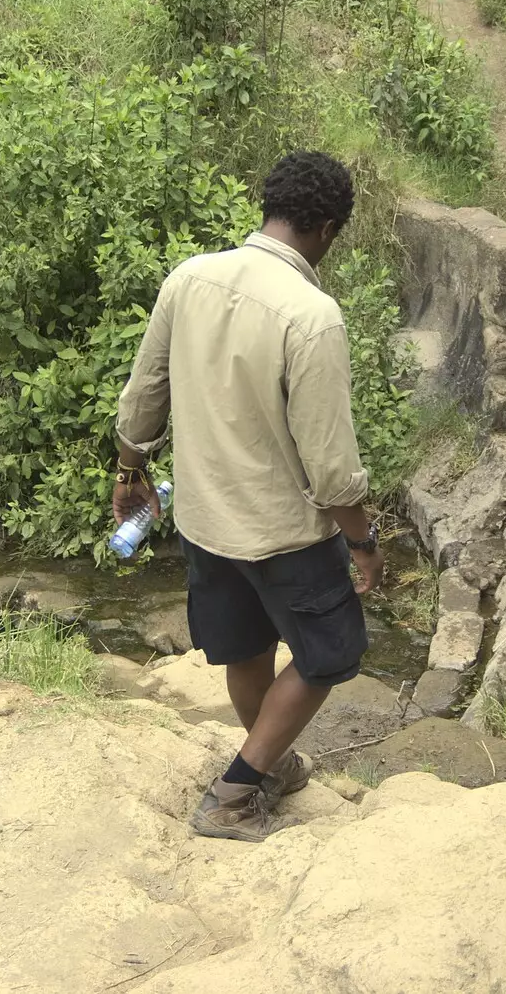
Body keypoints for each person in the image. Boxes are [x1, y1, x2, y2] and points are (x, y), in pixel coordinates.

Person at [113, 150, 385, 844]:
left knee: (246, 647)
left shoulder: (189, 278)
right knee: (332, 651)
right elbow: (332, 470)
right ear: (327, 228)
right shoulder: (312, 315)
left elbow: (144, 396)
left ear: (267, 207)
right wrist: (363, 543)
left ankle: (269, 763)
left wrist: (130, 473)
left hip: (204, 520)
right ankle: (235, 790)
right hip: (283, 531)